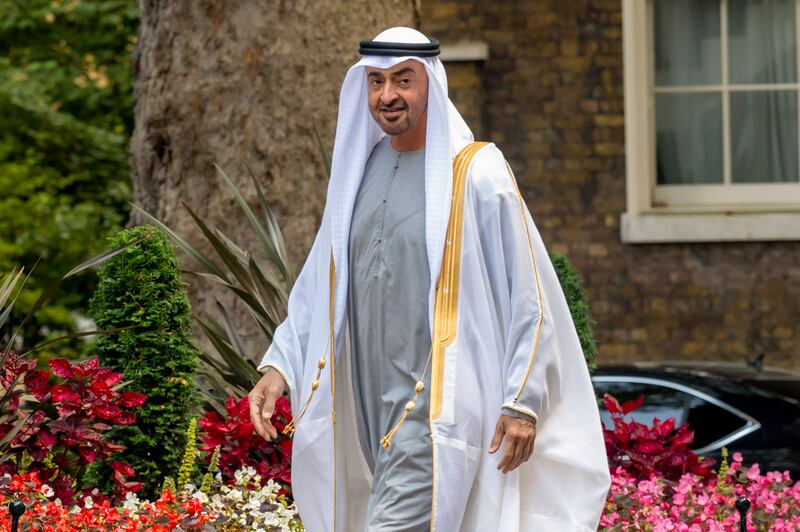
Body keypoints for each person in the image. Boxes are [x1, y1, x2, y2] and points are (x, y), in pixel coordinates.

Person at [248, 26, 610, 532]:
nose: (387, 96)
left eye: (403, 80)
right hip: (368, 416)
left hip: (435, 415)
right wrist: (280, 366)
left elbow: (530, 292)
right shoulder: (363, 167)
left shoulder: (476, 172)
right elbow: (321, 283)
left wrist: (522, 402)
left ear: (431, 85)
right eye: (376, 82)